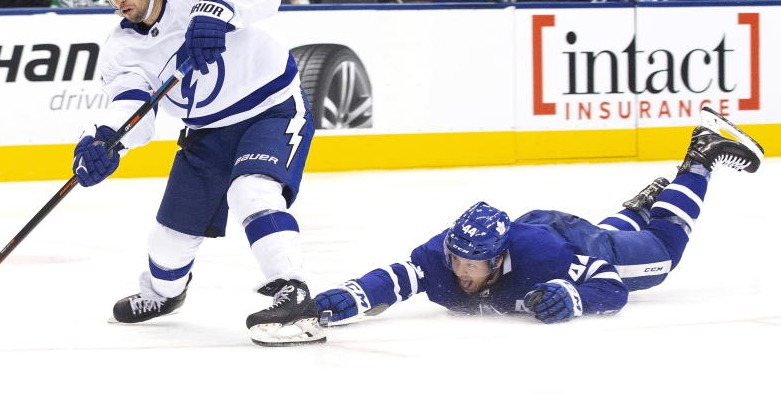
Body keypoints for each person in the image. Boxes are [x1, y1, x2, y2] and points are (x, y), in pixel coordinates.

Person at [73, 0, 324, 346]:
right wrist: (103, 139)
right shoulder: (122, 49)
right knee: (169, 241)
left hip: (271, 107)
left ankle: (294, 295)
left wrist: (218, 13)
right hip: (206, 132)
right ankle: (165, 295)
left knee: (253, 192)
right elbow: (134, 109)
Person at [316, 108, 764, 326]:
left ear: (498, 259)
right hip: (547, 228)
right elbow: (399, 277)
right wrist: (350, 296)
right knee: (604, 235)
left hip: (565, 241)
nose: (461, 273)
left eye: (473, 265)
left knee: (660, 255)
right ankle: (638, 207)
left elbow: (608, 283)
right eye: (457, 261)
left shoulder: (541, 258)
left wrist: (576, 298)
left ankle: (700, 156)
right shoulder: (447, 253)